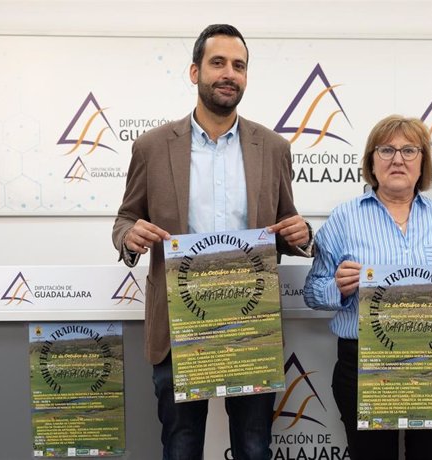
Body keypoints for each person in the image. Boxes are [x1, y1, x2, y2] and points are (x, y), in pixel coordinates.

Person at [112, 24, 311, 460]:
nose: (229, 73)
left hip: (250, 323)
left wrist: (302, 235)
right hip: (179, 325)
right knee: (181, 445)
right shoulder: (152, 146)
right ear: (194, 71)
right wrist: (130, 235)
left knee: (255, 445)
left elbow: (285, 223)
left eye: (238, 66)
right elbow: (126, 218)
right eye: (218, 62)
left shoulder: (274, 147)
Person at [303, 115, 432, 460]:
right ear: (372, 161)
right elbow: (313, 291)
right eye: (386, 150)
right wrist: (338, 288)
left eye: (408, 150)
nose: (398, 159)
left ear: (423, 163)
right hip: (363, 365)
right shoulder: (343, 218)